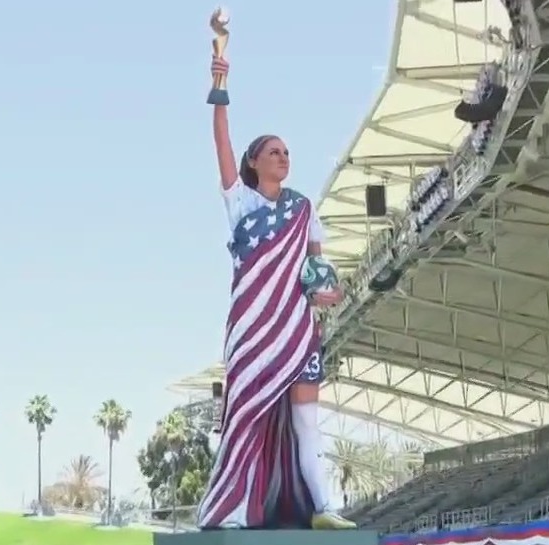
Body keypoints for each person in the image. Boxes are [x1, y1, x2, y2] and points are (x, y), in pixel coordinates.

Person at [195, 54, 358, 531]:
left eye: (287, 152)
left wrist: (327, 290)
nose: (283, 158)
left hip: (296, 330)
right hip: (251, 332)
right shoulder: (239, 201)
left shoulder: (305, 208)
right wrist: (219, 84)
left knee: (308, 422)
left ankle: (324, 509)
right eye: (273, 152)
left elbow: (316, 264)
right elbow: (220, 138)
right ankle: (232, 511)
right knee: (245, 419)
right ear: (254, 161)